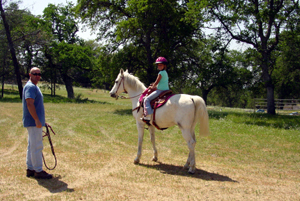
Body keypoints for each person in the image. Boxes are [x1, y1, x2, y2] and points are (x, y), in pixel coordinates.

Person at [22, 67, 53, 179]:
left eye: (39, 74)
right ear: (30, 74)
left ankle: (30, 168)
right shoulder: (30, 87)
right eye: (35, 74)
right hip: (33, 122)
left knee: (32, 145)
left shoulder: (33, 86)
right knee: (37, 146)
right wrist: (36, 119)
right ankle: (38, 170)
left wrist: (41, 120)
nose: (37, 76)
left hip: (34, 121)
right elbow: (29, 104)